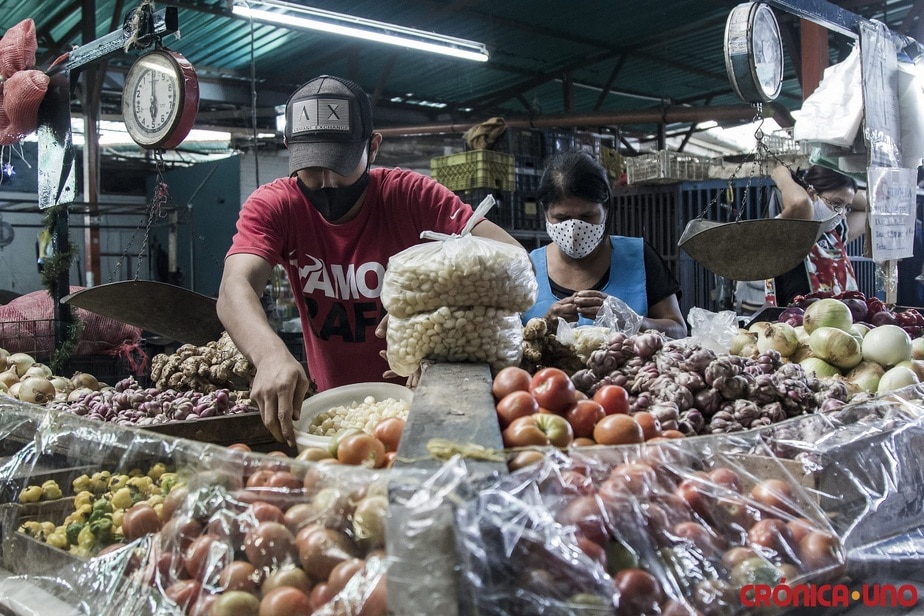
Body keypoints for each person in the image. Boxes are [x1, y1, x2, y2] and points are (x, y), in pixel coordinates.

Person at [217, 75, 521, 446]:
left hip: (425, 402)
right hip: (334, 412)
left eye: (340, 165)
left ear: (372, 148)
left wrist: (436, 315)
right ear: (288, 148)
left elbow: (512, 256)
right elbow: (236, 287)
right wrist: (269, 355)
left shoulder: (411, 196)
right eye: (311, 167)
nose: (326, 182)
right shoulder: (276, 206)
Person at [520, 151, 687, 339]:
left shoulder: (638, 257)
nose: (574, 230)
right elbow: (506, 344)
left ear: (606, 210)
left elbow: (678, 330)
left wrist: (631, 321)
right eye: (562, 218)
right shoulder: (525, 269)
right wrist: (544, 326)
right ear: (545, 214)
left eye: (587, 216)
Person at [768, 164, 868, 306]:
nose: (842, 213)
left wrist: (847, 185)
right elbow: (800, 203)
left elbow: (873, 207)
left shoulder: (834, 235)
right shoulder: (790, 228)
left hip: (834, 322)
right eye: (836, 203)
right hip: (795, 322)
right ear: (811, 194)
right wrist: (784, 177)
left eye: (847, 207)